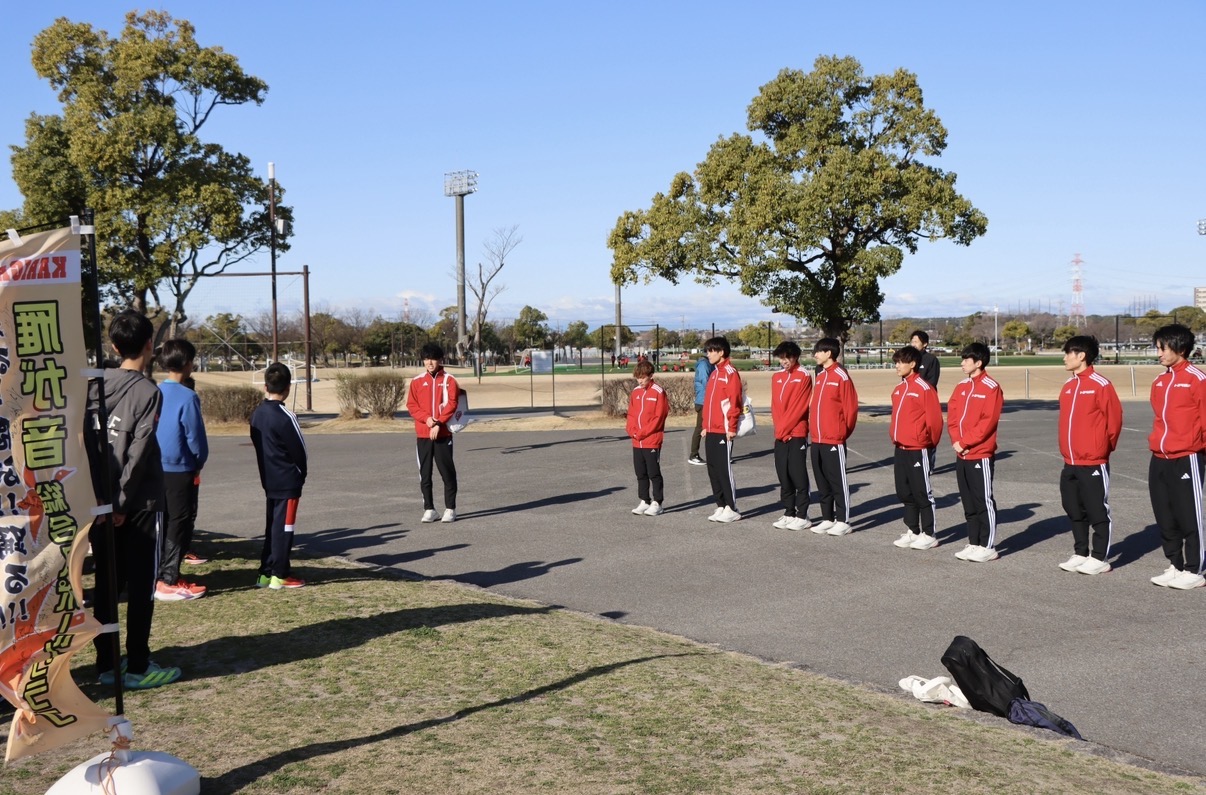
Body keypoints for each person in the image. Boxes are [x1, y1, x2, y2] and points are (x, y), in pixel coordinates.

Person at [86, 310, 182, 689]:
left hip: (97, 504)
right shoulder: (147, 392)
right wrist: (122, 503)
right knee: (141, 588)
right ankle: (139, 665)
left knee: (107, 586)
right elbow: (138, 452)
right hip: (137, 505)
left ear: (113, 346)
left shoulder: (92, 385)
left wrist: (103, 502)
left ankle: (107, 664)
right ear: (149, 347)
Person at [1146, 324, 1206, 590]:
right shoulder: (1160, 381)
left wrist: (1194, 446)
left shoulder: (1197, 379)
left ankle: (1194, 569)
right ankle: (1175, 564)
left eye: (1162, 348)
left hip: (1188, 456)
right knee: (1165, 513)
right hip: (1160, 456)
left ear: (1180, 348)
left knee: (1188, 514)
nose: (1158, 353)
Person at [1056, 336, 1123, 575]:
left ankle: (1099, 557)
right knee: (1073, 507)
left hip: (1093, 460)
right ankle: (1080, 552)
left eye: (1067, 353)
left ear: (1081, 355)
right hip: (1070, 460)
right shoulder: (1068, 385)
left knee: (1096, 508)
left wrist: (1101, 450)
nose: (1064, 357)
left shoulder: (1100, 384)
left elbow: (1113, 422)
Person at [154, 339, 209, 601]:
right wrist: (198, 462)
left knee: (161, 522)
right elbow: (195, 439)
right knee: (179, 523)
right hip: (180, 469)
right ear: (187, 363)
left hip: (154, 467)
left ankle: (159, 574)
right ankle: (169, 579)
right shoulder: (188, 397)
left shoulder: (154, 391)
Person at [250, 362, 308, 589]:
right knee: (284, 528)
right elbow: (299, 451)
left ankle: (266, 572)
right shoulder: (286, 416)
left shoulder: (257, 414)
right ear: (288, 388)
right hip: (287, 481)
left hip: (269, 479)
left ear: (265, 386)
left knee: (272, 526)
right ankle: (280, 574)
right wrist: (301, 475)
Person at [947, 342, 1004, 563]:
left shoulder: (991, 387)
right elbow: (952, 416)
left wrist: (967, 442)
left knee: (983, 500)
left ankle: (987, 545)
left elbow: (987, 422)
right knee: (968, 501)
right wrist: (956, 441)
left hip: (979, 453)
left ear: (978, 363)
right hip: (961, 452)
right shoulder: (961, 386)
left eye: (966, 359)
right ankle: (974, 542)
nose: (962, 363)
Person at [889, 346, 944, 550]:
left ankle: (929, 533)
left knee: (921, 492)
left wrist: (928, 444)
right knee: (904, 492)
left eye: (900, 362)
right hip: (900, 447)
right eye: (895, 362)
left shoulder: (924, 388)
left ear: (912, 364)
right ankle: (913, 530)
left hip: (918, 447)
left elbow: (935, 422)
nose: (896, 366)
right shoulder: (899, 389)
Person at [808, 338, 859, 536]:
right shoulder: (820, 375)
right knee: (822, 481)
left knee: (837, 481)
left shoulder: (841, 375)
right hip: (818, 438)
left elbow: (850, 408)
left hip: (833, 439)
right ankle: (827, 518)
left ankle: (843, 520)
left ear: (829, 353)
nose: (815, 355)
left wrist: (841, 433)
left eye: (818, 352)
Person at [407, 343, 460, 523]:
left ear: (440, 360)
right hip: (423, 433)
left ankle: (450, 508)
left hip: (443, 434)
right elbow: (412, 405)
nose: (430, 362)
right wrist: (427, 420)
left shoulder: (449, 380)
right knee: (425, 472)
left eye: (434, 358)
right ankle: (429, 508)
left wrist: (438, 422)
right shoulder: (416, 381)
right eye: (427, 358)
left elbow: (452, 403)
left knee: (447, 472)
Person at [770, 341, 813, 531]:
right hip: (781, 433)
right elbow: (775, 407)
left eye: (787, 357)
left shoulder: (803, 375)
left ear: (795, 357)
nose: (784, 361)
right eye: (781, 358)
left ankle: (802, 515)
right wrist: (779, 430)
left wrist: (785, 430)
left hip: (796, 432)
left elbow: (799, 407)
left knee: (797, 474)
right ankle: (789, 512)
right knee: (783, 474)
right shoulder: (777, 377)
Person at [701, 336, 743, 523]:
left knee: (723, 469)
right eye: (708, 351)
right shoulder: (714, 373)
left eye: (712, 350)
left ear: (721, 352)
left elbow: (735, 402)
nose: (708, 354)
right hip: (710, 429)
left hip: (723, 429)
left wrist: (731, 427)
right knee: (713, 469)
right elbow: (710, 402)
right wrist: (704, 425)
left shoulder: (730, 372)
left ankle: (732, 507)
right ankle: (721, 505)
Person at [626, 360, 670, 516]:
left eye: (643, 378)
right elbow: (631, 414)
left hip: (651, 440)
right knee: (640, 473)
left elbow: (659, 417)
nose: (640, 381)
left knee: (653, 472)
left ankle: (657, 502)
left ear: (650, 376)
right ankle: (644, 500)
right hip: (636, 440)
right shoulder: (636, 392)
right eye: (638, 377)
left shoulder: (658, 391)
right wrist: (631, 430)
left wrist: (643, 432)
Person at [689, 351, 715, 465]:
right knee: (700, 428)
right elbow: (706, 382)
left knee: (710, 427)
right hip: (704, 401)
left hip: (707, 400)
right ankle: (693, 454)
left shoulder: (708, 364)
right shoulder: (704, 364)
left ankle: (716, 454)